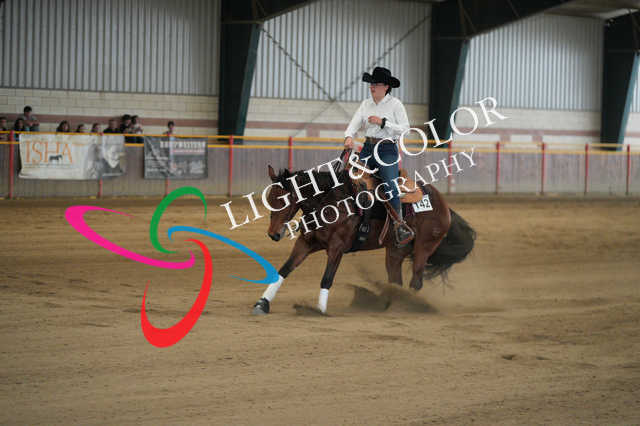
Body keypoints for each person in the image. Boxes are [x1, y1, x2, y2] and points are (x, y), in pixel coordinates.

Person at [343, 66, 414, 247]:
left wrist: (384, 122)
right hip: (368, 147)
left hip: (387, 149)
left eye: (376, 84)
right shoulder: (365, 104)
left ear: (386, 87)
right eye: (371, 84)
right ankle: (354, 220)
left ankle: (399, 224)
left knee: (390, 184)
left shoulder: (395, 104)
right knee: (349, 178)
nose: (372, 87)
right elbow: (354, 123)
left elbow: (405, 129)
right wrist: (349, 136)